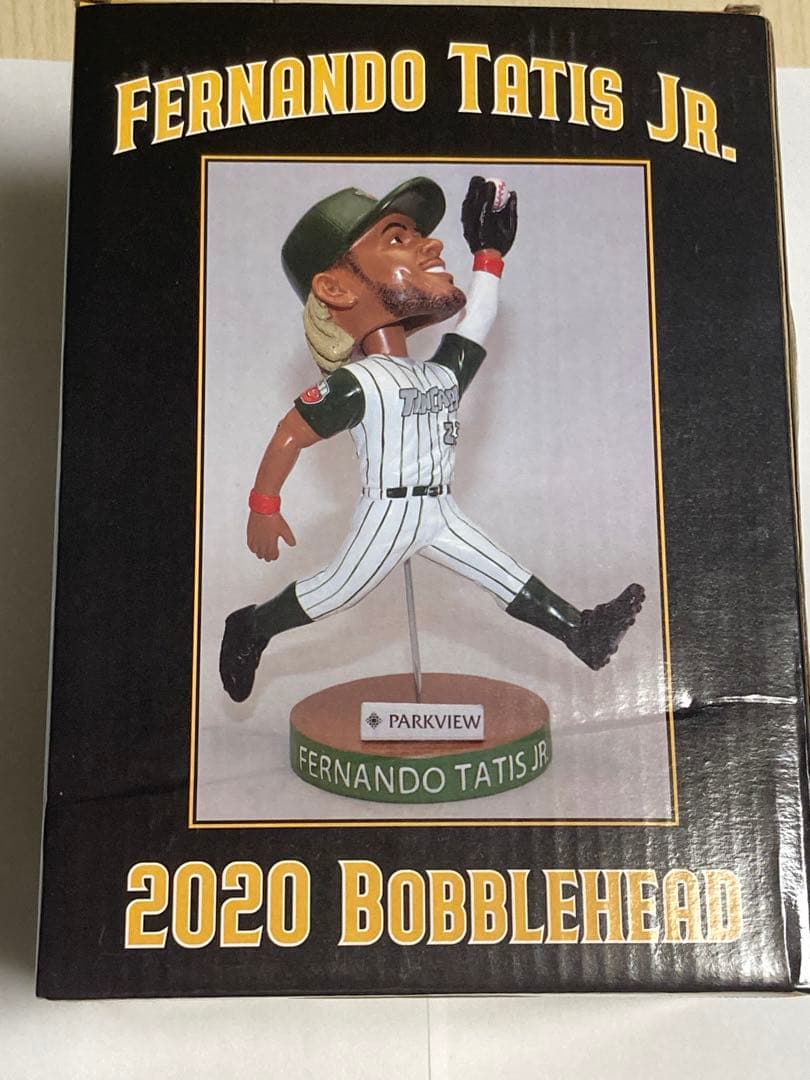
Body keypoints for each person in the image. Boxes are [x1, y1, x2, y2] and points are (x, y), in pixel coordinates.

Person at [219, 176, 644, 703]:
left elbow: (479, 317)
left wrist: (489, 253)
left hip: (439, 508)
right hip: (388, 513)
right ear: (335, 289)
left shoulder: (440, 374)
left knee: (502, 572)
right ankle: (252, 626)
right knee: (334, 592)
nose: (430, 244)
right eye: (397, 238)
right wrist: (263, 505)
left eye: (418, 234)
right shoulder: (358, 382)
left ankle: (581, 632)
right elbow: (290, 433)